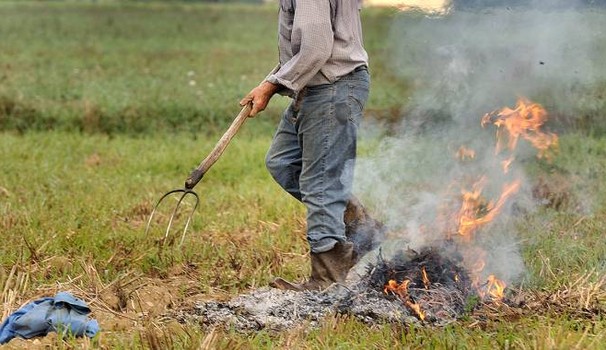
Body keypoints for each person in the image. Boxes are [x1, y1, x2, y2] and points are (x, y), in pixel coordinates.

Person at [240, 0, 382, 291]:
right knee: (283, 161)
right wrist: (273, 81)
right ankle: (362, 229)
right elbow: (308, 46)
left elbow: (316, 48)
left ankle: (327, 279)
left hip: (332, 85)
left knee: (321, 184)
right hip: (315, 86)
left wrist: (271, 86)